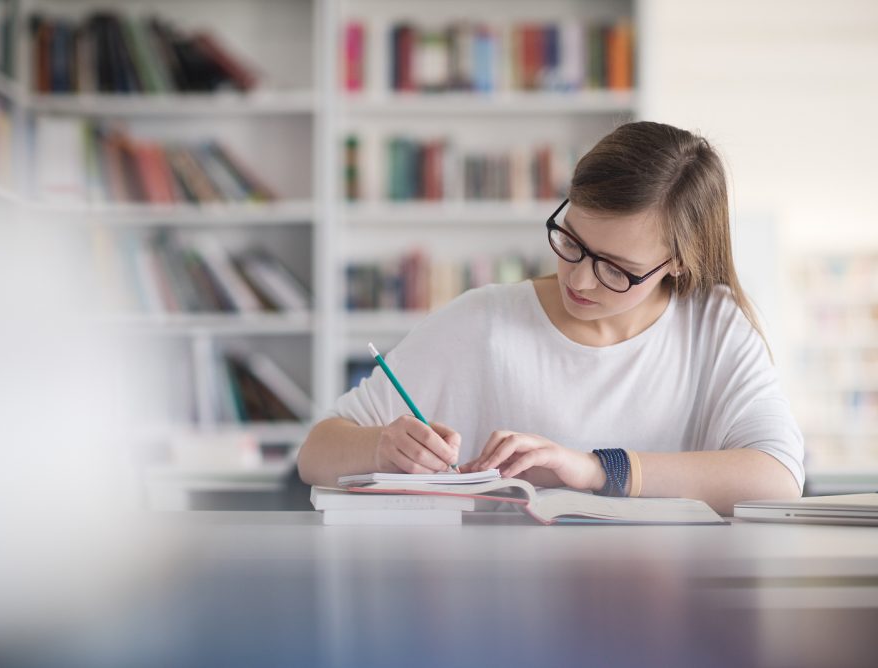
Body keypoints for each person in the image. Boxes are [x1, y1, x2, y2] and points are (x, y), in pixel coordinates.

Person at [297, 121, 803, 515]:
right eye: (572, 242)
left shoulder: (712, 326)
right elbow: (316, 452)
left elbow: (777, 476)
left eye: (617, 270)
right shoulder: (483, 321)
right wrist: (382, 448)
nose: (580, 280)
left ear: (678, 261)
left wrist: (597, 470)